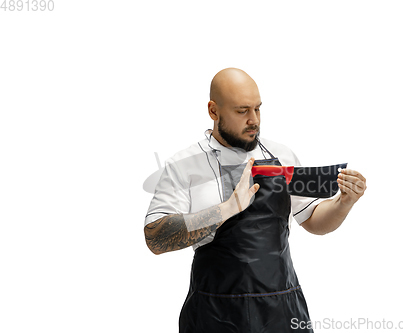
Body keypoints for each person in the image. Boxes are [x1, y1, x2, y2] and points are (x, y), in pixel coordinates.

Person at [144, 68, 367, 333]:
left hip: (282, 312)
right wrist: (226, 209)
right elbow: (155, 238)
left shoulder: (282, 155)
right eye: (242, 111)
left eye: (258, 109)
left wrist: (344, 202)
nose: (254, 120)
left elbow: (313, 220)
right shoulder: (184, 167)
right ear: (213, 111)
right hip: (213, 316)